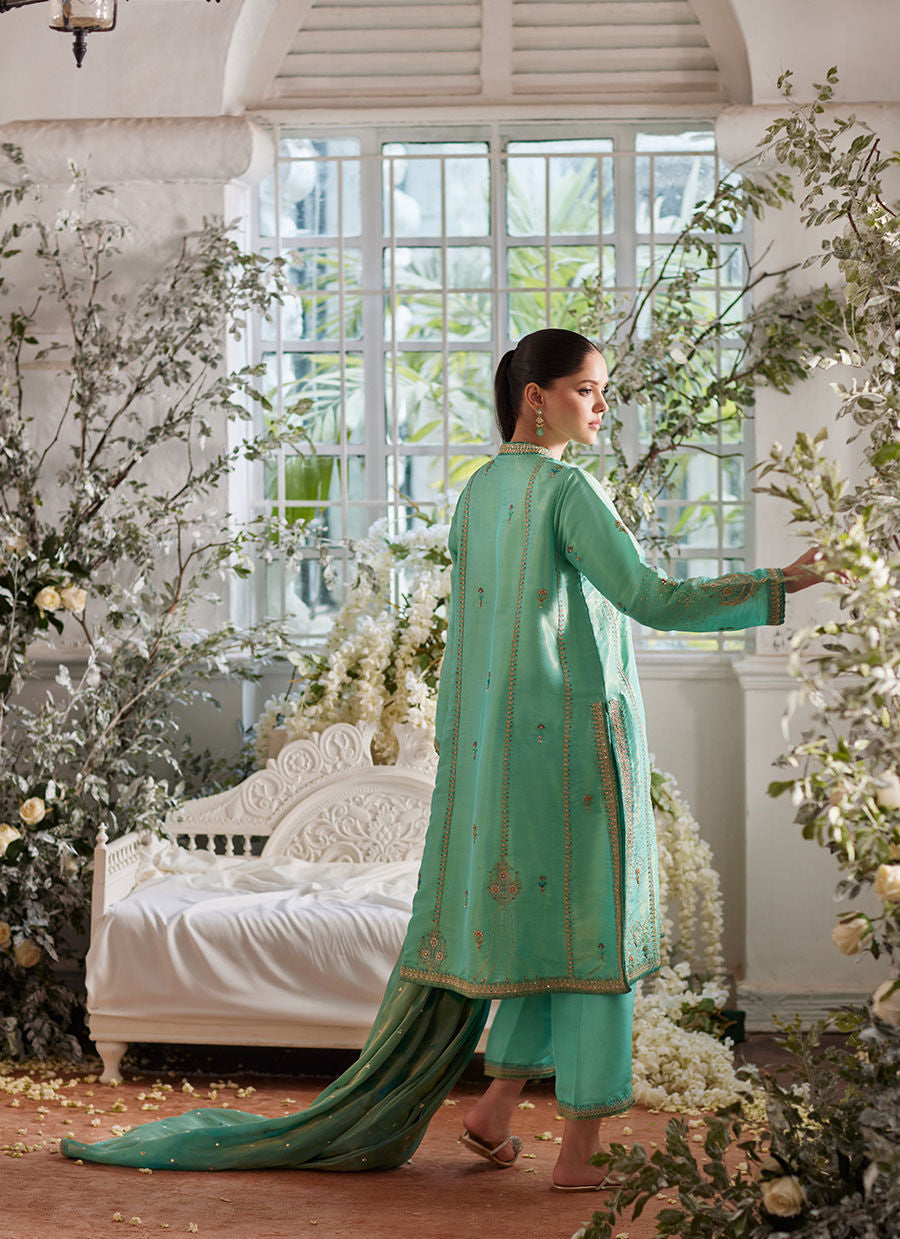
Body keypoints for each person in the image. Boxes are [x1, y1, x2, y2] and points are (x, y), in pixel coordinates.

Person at [61, 328, 822, 1185]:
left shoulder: (479, 491)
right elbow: (651, 597)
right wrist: (778, 584)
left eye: (603, 390)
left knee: (541, 933)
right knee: (595, 943)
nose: (603, 406)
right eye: (586, 389)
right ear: (536, 397)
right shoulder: (568, 492)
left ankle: (495, 1109)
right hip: (574, 756)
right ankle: (581, 1155)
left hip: (503, 763)